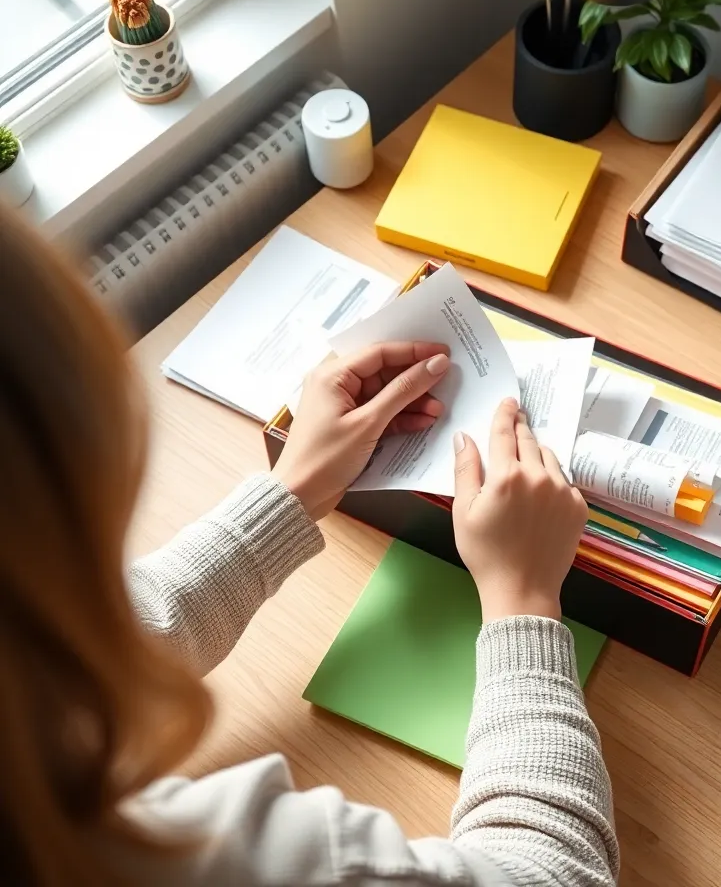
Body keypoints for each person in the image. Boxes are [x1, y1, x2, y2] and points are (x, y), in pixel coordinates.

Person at [0, 205, 618, 887]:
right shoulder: (209, 856)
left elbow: (76, 644)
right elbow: (555, 874)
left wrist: (292, 489)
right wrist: (523, 597)